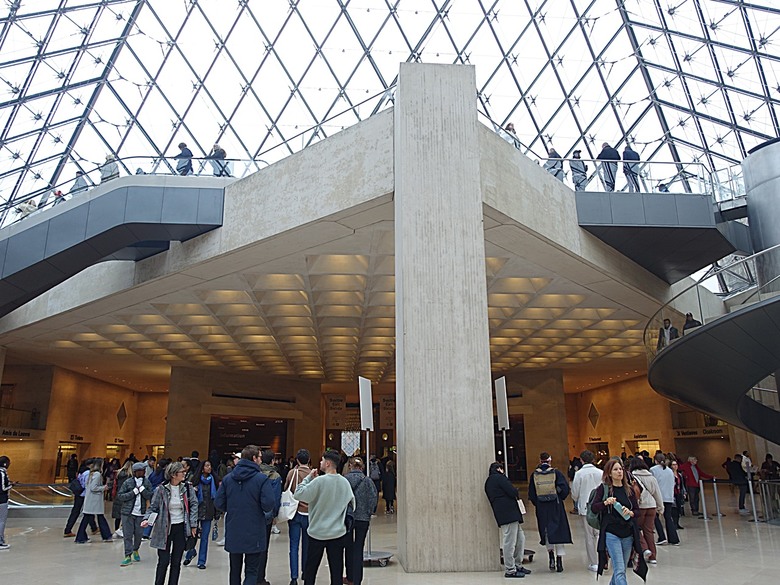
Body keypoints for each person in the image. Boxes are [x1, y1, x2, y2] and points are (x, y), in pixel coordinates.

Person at [215, 445, 275, 585]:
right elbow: (269, 504)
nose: (261, 460)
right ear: (254, 458)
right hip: (254, 530)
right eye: (260, 457)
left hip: (234, 528)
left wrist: (232, 508)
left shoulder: (228, 479)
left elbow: (218, 502)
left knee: (234, 570)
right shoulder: (261, 479)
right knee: (252, 570)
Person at [294, 449, 355, 585]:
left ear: (327, 463)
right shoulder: (344, 482)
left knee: (311, 570)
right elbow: (352, 504)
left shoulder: (319, 481)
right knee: (336, 571)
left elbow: (298, 494)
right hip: (337, 533)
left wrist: (308, 478)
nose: (320, 462)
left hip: (317, 533)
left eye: (322, 460)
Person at [590, 458, 648, 584]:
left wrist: (631, 512)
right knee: (620, 569)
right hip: (611, 533)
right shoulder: (604, 489)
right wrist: (605, 503)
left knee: (620, 571)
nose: (619, 472)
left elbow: (637, 511)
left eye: (620, 469)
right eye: (615, 470)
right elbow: (594, 508)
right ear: (609, 473)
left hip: (627, 533)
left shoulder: (629, 490)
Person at [142, 461, 198, 585]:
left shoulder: (187, 487)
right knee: (163, 561)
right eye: (182, 472)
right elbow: (153, 507)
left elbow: (194, 504)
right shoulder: (161, 489)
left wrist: (193, 524)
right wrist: (146, 519)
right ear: (173, 474)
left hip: (181, 527)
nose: (184, 474)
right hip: (164, 528)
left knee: (176, 561)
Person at [484, 461, 530, 579]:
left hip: (504, 514)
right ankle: (510, 569)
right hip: (509, 513)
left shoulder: (489, 482)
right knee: (510, 541)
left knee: (519, 538)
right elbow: (512, 491)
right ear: (499, 469)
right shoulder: (499, 478)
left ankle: (517, 564)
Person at [528, 452, 572, 572]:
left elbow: (531, 494)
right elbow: (565, 489)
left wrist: (538, 503)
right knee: (558, 532)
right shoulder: (556, 473)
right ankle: (559, 561)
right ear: (550, 461)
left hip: (542, 507)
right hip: (555, 506)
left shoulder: (534, 474)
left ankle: (551, 556)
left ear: (540, 460)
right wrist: (558, 496)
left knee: (546, 531)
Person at [344, 457, 378, 585]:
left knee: (348, 547)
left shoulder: (345, 480)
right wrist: (369, 511)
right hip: (363, 518)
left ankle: (350, 576)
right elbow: (373, 498)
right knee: (359, 548)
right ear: (362, 467)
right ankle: (358, 579)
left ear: (350, 466)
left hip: (348, 518)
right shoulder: (367, 481)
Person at [571, 450, 603, 571]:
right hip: (600, 506)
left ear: (581, 460)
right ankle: (602, 559)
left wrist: (577, 500)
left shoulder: (579, 474)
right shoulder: (600, 472)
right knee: (600, 534)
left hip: (586, 508)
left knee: (589, 536)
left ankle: (593, 562)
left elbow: (575, 493)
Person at [184, 460, 219, 569]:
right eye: (207, 465)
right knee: (192, 536)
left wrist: (217, 512)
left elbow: (216, 498)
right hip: (196, 512)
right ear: (202, 468)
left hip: (208, 512)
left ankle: (202, 561)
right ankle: (190, 553)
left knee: (204, 538)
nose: (209, 467)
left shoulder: (214, 481)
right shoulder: (195, 481)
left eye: (210, 465)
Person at [628, 458, 663, 566]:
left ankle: (644, 548)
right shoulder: (651, 477)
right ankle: (653, 556)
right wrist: (660, 507)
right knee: (649, 531)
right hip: (651, 506)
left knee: (635, 528)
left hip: (640, 506)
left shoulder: (633, 477)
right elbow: (657, 493)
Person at [117, 461, 152, 566]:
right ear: (136, 472)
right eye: (141, 470)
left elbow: (150, 495)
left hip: (141, 513)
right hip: (127, 513)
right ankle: (127, 555)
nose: (143, 472)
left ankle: (135, 549)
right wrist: (133, 493)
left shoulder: (147, 483)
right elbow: (120, 496)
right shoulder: (128, 482)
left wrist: (143, 491)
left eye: (144, 470)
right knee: (127, 534)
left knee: (138, 534)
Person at [285, 448, 313, 585]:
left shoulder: (292, 473)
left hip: (294, 513)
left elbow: (287, 489)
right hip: (309, 514)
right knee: (307, 546)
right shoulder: (314, 475)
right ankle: (306, 573)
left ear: (297, 460)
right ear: (309, 460)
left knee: (294, 546)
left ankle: (293, 577)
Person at [258, 448, 283, 578]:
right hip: (267, 515)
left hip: (254, 514)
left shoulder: (255, 473)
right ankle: (260, 576)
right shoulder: (275, 476)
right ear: (273, 461)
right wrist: (275, 515)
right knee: (264, 547)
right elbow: (276, 498)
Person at [75, 458, 113, 543]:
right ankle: (106, 535)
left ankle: (81, 537)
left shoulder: (91, 474)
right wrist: (104, 488)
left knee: (88, 518)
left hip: (90, 500)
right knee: (98, 517)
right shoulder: (97, 475)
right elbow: (94, 487)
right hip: (94, 500)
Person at [650, 454, 679, 546]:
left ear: (655, 460)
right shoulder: (670, 471)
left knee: (656, 517)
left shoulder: (653, 470)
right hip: (669, 496)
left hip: (659, 497)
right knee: (668, 517)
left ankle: (661, 537)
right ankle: (674, 539)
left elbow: (653, 484)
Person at [64, 459, 96, 537]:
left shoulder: (81, 472)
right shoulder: (88, 473)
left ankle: (93, 527)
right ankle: (93, 528)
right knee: (87, 511)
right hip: (84, 495)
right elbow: (86, 485)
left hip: (79, 494)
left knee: (76, 512)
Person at [111, 459, 134, 536]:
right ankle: (123, 529)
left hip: (118, 495)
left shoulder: (118, 474)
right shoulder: (130, 476)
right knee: (126, 514)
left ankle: (116, 530)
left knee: (118, 515)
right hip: (127, 496)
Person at [0, 456, 12, 550]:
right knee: (2, 521)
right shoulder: (2, 473)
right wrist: (11, 486)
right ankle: (0, 541)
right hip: (2, 500)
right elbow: (3, 488)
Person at [670, 459, 686, 530]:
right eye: (673, 465)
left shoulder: (679, 475)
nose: (675, 466)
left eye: (676, 464)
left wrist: (684, 493)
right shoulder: (670, 474)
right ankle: (674, 524)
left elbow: (682, 484)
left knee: (679, 509)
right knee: (674, 509)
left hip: (679, 493)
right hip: (672, 494)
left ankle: (677, 523)